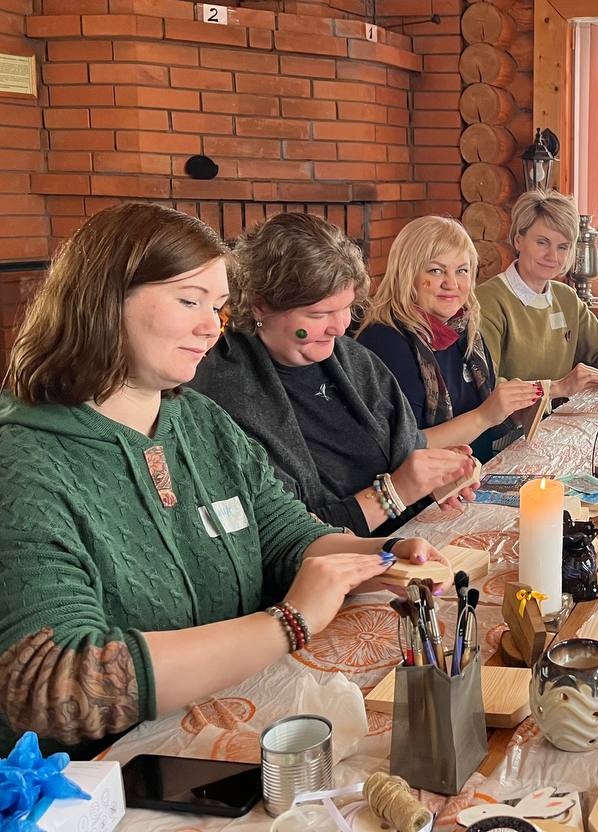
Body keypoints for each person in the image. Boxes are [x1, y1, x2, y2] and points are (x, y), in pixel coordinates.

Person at [0, 203, 448, 756]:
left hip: (223, 731)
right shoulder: (23, 459)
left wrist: (379, 554)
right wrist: (286, 623)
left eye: (217, 306)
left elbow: (287, 535)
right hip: (95, 782)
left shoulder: (199, 420)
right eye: (190, 301)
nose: (212, 326)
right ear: (102, 300)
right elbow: (57, 683)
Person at [189, 212, 474, 538]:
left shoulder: (353, 360)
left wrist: (437, 478)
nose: (339, 327)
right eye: (319, 313)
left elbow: (408, 449)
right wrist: (395, 494)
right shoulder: (221, 395)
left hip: (400, 549)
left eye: (347, 307)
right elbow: (277, 543)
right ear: (259, 306)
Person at [355, 216, 541, 463]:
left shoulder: (465, 329)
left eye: (462, 271)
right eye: (436, 270)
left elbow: (481, 427)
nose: (451, 283)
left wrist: (512, 412)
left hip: (472, 477)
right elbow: (402, 448)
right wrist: (486, 415)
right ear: (407, 274)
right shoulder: (385, 341)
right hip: (422, 497)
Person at [475, 191, 598, 398]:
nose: (552, 256)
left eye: (562, 247)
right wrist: (559, 388)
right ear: (518, 240)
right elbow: (488, 386)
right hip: (509, 429)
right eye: (542, 242)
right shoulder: (488, 300)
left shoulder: (566, 298)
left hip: (559, 421)